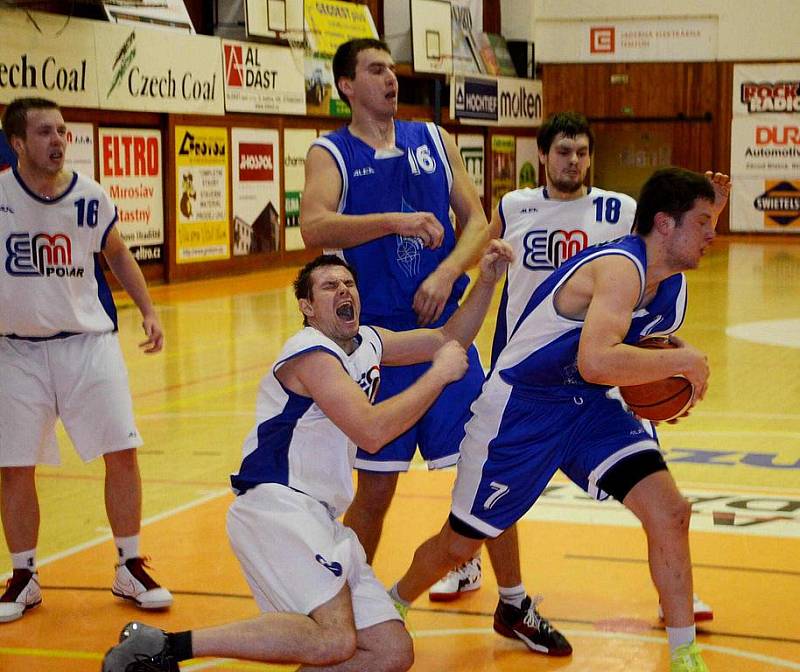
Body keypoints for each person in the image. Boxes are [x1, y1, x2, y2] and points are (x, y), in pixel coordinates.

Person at [101, 241, 513, 671]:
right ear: (308, 306)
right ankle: (163, 645)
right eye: (329, 286)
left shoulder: (369, 342)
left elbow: (448, 338)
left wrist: (486, 280)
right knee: (333, 638)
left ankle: (162, 646)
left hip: (321, 517)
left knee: (392, 650)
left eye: (349, 283)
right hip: (276, 506)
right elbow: (371, 432)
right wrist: (438, 374)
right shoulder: (310, 352)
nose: (343, 291)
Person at [389, 167, 731, 672]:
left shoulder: (671, 287)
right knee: (459, 543)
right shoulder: (620, 268)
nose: (712, 233)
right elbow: (597, 359)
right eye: (703, 221)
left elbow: (626, 362)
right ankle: (391, 603)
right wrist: (683, 363)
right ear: (664, 224)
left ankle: (685, 655)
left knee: (670, 512)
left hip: (591, 408)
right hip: (523, 408)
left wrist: (662, 386)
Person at [300, 37, 570, 656]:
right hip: (378, 344)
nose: (389, 79)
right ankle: (343, 612)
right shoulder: (330, 152)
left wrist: (448, 271)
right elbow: (313, 226)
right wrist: (393, 223)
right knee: (374, 492)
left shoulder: (434, 140)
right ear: (347, 85)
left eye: (392, 69)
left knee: (491, 472)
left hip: (447, 336)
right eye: (374, 70)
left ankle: (513, 601)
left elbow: (477, 221)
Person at [489, 110, 713, 623]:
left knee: (662, 498)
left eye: (583, 152)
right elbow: (480, 255)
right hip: (530, 370)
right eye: (564, 151)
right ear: (541, 156)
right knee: (491, 498)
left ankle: (675, 596)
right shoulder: (515, 207)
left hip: (604, 371)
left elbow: (670, 242)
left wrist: (707, 213)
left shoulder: (619, 209)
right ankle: (495, 582)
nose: (574, 161)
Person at [0, 98, 172, 623]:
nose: (58, 141)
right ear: (18, 143)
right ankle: (24, 574)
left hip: (87, 344)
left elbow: (116, 253)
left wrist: (148, 309)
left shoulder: (89, 196)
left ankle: (129, 563)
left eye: (62, 131)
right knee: (13, 466)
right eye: (45, 132)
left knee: (121, 451)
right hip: (14, 350)